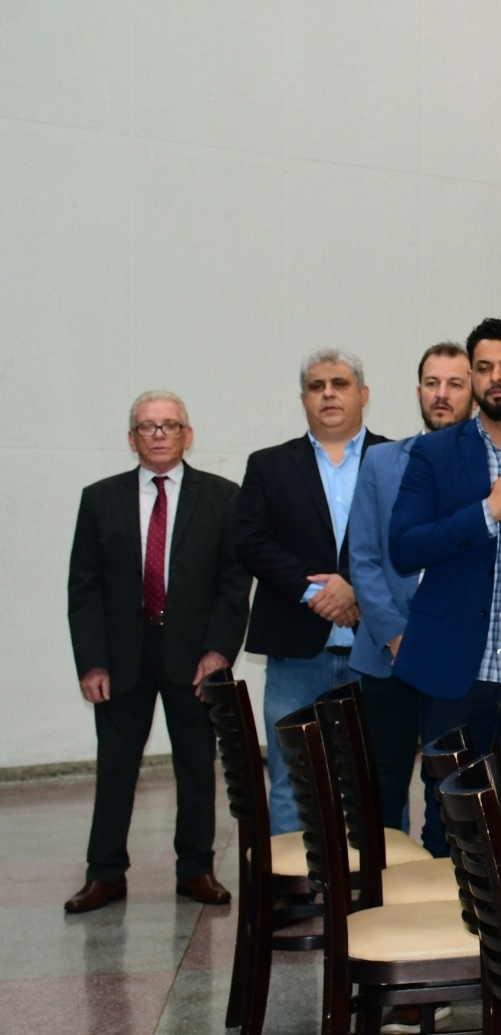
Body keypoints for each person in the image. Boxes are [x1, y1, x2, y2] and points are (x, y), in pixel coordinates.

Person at [64, 391, 252, 913]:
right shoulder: (99, 499)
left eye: (170, 425)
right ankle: (105, 874)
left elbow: (234, 584)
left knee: (195, 764)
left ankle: (195, 869)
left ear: (188, 435)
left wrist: (218, 653)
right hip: (122, 654)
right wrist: (91, 661)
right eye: (148, 427)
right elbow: (84, 588)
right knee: (116, 767)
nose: (159, 434)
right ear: (132, 439)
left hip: (193, 655)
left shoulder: (223, 498)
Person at [391, 318, 501, 851]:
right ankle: (458, 933)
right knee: (451, 823)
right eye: (483, 368)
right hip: (457, 676)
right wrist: (488, 512)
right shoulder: (436, 453)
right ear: (471, 376)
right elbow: (405, 547)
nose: (496, 378)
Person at [235, 350, 387, 833]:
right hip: (295, 655)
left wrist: (357, 593)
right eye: (317, 385)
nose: (328, 394)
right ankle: (294, 892)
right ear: (303, 399)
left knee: (375, 780)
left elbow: (407, 544)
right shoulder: (268, 465)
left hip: (376, 652)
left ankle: (375, 890)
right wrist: (316, 593)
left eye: (339, 383)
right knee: (290, 781)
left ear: (362, 394)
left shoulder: (396, 459)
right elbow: (251, 543)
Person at [347, 342, 474, 836]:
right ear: (418, 390)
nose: (441, 395)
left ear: (473, 392)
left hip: (459, 660)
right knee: (381, 787)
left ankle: (446, 896)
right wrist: (397, 636)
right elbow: (364, 558)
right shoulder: (380, 462)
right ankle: (379, 900)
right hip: (387, 655)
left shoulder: (489, 467)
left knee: (451, 790)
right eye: (431, 383)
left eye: (454, 384)